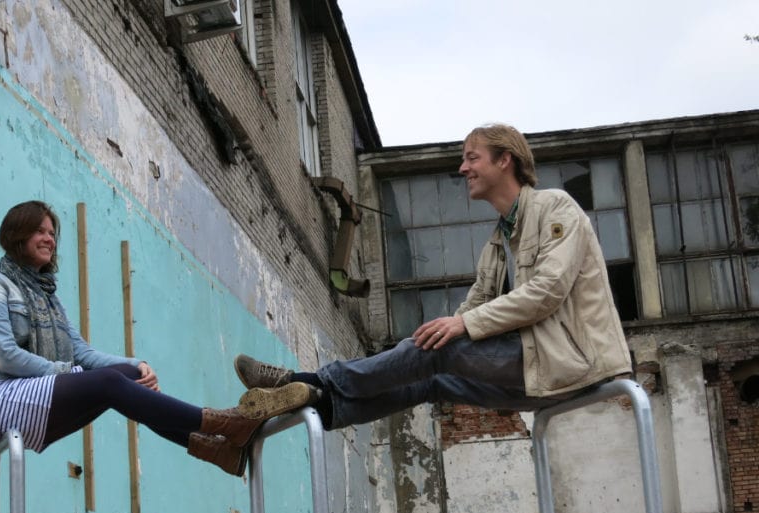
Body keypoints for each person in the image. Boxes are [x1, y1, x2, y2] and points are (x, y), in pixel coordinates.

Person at [234, 124, 632, 429]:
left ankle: (309, 380)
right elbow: (472, 307)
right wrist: (443, 330)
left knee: (436, 349)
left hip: (572, 363)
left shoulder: (555, 208)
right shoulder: (498, 241)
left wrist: (458, 326)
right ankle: (317, 403)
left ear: (504, 159)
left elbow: (548, 291)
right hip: (535, 371)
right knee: (431, 367)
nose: (463, 168)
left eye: (472, 158)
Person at [0, 200, 316, 477]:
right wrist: (64, 373)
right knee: (108, 383)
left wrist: (136, 364)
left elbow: (81, 352)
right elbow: (3, 357)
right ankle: (225, 423)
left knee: (125, 378)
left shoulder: (48, 298)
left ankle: (215, 449)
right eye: (40, 231)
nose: (49, 239)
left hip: (30, 399)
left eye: (52, 232)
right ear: (17, 236)